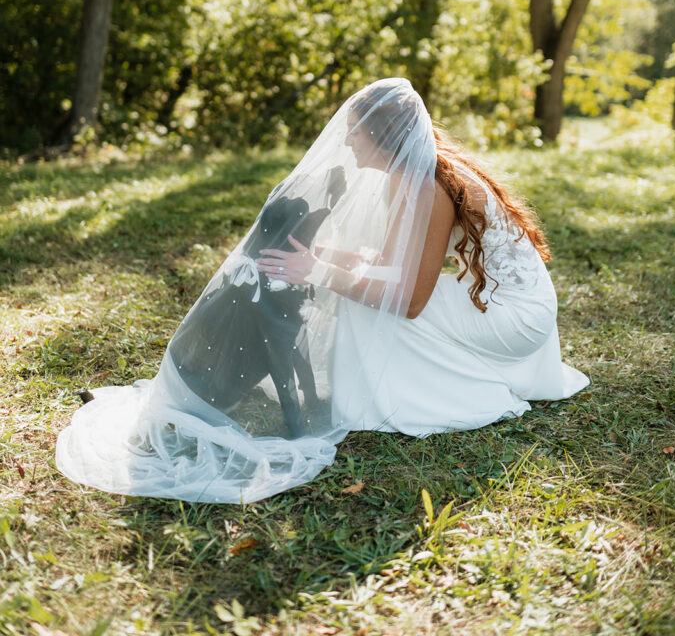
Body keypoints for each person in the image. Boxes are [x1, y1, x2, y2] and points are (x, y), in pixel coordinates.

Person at [56, 78, 587, 503]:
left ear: (381, 137)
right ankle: (377, 390)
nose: (348, 140)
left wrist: (318, 272)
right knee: (358, 292)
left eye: (355, 131)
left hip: (513, 317)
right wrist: (322, 258)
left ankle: (389, 403)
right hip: (487, 296)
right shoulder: (411, 177)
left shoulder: (427, 186)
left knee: (363, 307)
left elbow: (410, 299)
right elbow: (388, 264)